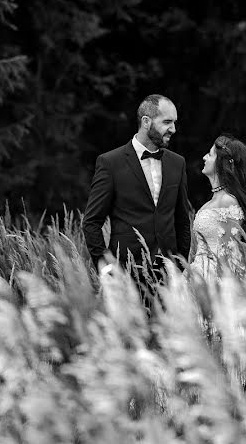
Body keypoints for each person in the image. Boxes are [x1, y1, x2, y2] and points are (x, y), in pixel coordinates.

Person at [82, 94, 192, 308]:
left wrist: (179, 265)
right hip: (125, 277)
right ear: (146, 122)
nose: (173, 129)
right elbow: (91, 222)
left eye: (174, 123)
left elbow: (182, 220)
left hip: (167, 279)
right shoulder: (110, 163)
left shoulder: (177, 163)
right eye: (167, 122)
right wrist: (107, 268)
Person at [189, 134, 246, 281]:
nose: (204, 158)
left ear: (222, 163)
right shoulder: (215, 200)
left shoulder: (227, 201)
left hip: (213, 277)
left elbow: (226, 254)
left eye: (210, 154)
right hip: (200, 273)